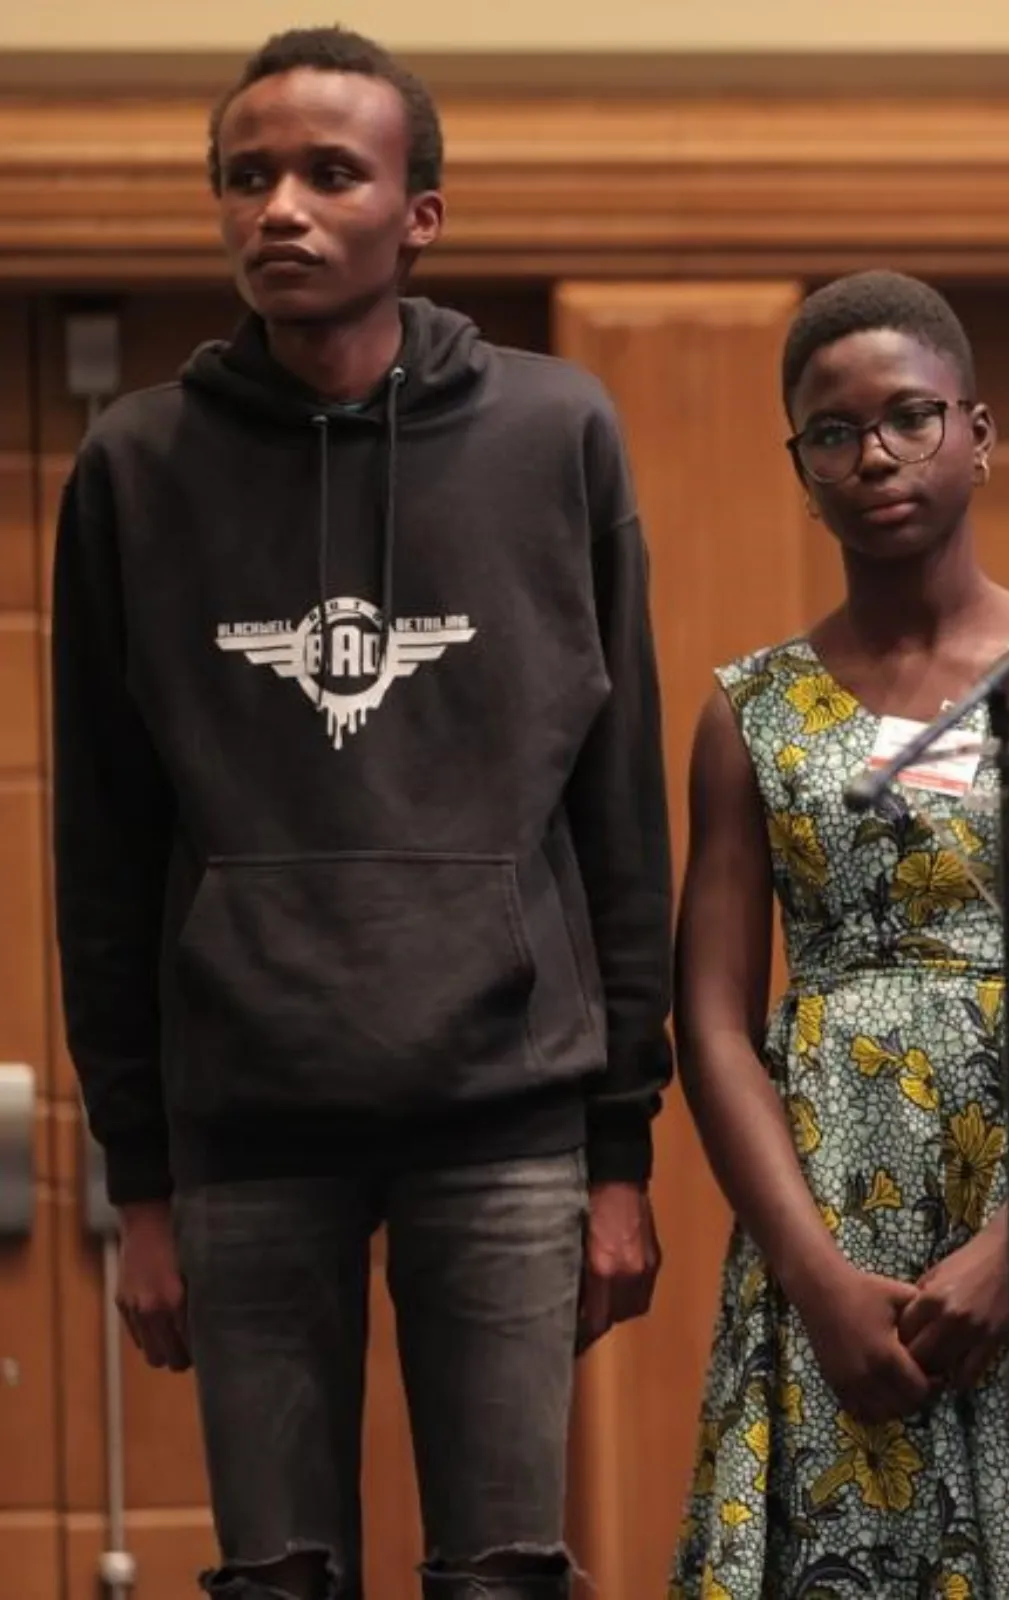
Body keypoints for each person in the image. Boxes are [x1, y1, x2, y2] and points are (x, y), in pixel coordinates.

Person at [47, 25, 672, 1600]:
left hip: (509, 1112)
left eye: (332, 174)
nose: (282, 209)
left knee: (504, 1575)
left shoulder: (554, 434)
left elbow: (618, 815)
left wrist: (620, 1155)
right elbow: (104, 853)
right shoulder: (134, 467)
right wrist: (139, 1181)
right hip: (242, 1128)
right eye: (247, 177)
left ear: (420, 213)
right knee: (279, 1578)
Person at [666, 270, 1009, 1599]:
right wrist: (812, 1277)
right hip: (836, 1230)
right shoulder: (751, 711)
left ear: (980, 432)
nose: (877, 456)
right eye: (834, 434)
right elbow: (712, 1022)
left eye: (911, 417)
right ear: (802, 469)